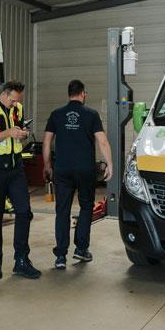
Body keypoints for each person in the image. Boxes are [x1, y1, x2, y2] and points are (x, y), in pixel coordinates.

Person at [42, 80, 112, 269]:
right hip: (85, 170)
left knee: (62, 211)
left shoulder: (56, 114)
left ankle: (61, 256)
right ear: (83, 94)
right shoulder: (91, 114)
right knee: (86, 207)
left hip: (62, 170)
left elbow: (47, 142)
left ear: (69, 94)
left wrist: (47, 166)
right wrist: (110, 164)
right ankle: (81, 249)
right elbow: (102, 141)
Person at [0, 80, 40, 280]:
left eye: (17, 101)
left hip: (15, 169)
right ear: (5, 94)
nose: (15, 104)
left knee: (24, 212)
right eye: (13, 100)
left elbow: (17, 131)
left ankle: (21, 260)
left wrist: (22, 134)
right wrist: (8, 133)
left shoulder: (17, 108)